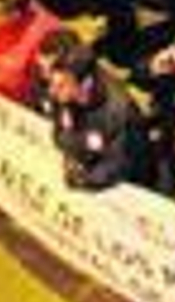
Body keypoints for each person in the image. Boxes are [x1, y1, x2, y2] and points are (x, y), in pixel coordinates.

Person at [47, 41, 151, 190]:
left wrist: (83, 179)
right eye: (52, 83)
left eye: (61, 85)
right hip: (93, 169)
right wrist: (80, 144)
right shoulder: (63, 97)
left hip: (131, 186)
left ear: (86, 83)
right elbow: (58, 137)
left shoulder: (120, 112)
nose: (52, 91)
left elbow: (119, 167)